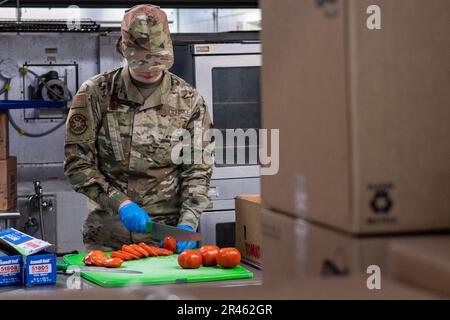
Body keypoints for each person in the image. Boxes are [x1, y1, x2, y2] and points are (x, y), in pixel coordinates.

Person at [64, 4, 213, 253]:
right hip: (108, 237)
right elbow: (77, 164)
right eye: (142, 61)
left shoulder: (189, 100)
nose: (151, 69)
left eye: (158, 61)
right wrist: (120, 203)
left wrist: (188, 221)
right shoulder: (95, 93)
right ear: (123, 49)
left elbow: (197, 169)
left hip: (165, 238)